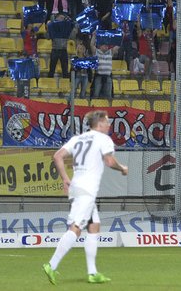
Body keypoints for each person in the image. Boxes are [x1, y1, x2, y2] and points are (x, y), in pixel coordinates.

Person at [43, 110, 128, 285]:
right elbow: (110, 162)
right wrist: (123, 168)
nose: (109, 125)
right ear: (99, 123)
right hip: (87, 190)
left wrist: (66, 179)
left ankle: (92, 272)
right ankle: (51, 264)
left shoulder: (78, 138)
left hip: (77, 186)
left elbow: (57, 156)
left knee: (94, 226)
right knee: (76, 227)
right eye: (107, 122)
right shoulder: (103, 139)